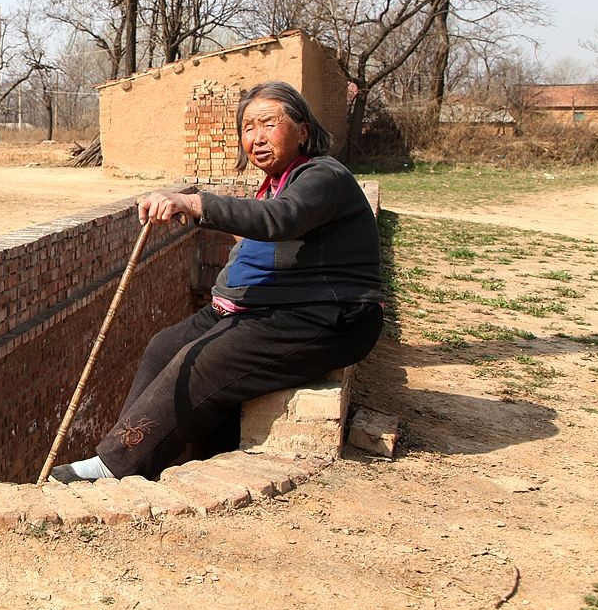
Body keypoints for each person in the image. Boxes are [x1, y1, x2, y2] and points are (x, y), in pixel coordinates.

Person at [52, 81, 383, 482]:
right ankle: (133, 454)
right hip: (263, 306)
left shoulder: (322, 176)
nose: (257, 138)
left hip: (328, 316)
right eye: (248, 128)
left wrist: (195, 203)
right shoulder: (278, 182)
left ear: (303, 131)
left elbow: (279, 220)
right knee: (164, 347)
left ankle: (115, 467)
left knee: (201, 363)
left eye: (268, 124)